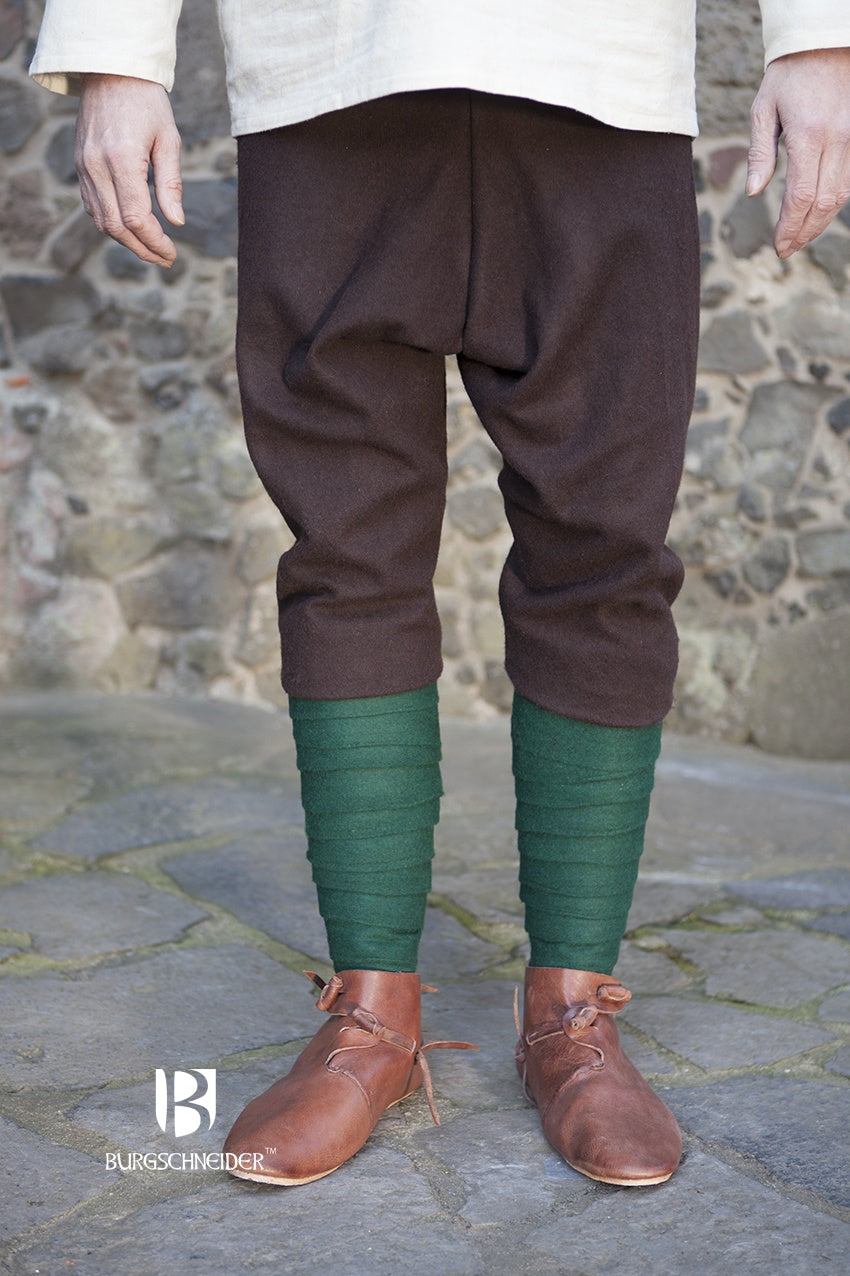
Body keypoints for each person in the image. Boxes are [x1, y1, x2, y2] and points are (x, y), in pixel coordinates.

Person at [30, 2, 850, 1189]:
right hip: (330, 66)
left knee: (606, 546)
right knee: (345, 546)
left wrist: (815, 39)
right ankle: (371, 1014)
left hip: (598, 68)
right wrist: (114, 52)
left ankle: (570, 1010)